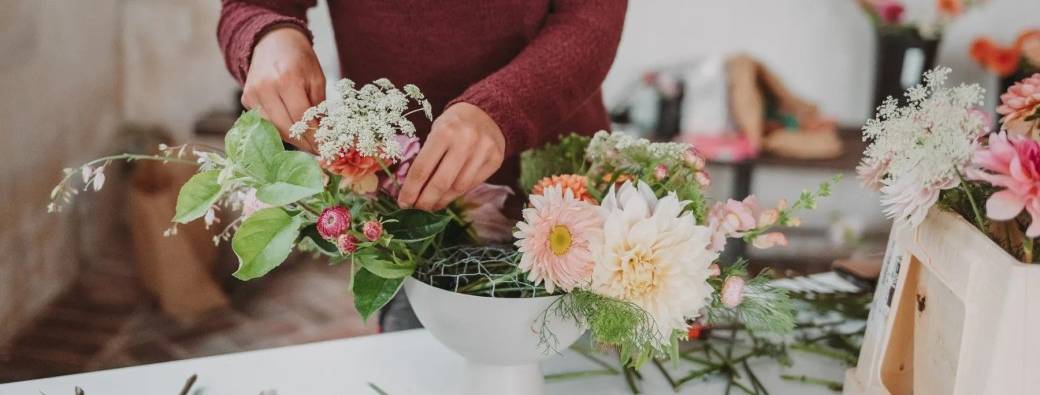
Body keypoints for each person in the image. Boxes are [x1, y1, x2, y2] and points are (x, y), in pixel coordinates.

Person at [218, 0, 627, 330]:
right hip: (408, 225)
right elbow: (251, 6)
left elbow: (592, 16)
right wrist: (270, 34)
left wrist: (503, 109)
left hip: (567, 202)